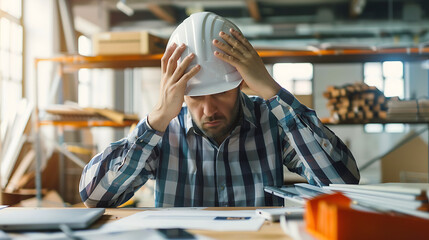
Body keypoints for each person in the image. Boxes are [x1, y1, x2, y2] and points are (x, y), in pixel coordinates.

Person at [79, 12, 359, 208]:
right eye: (196, 97)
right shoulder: (162, 132)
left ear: (241, 83)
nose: (209, 110)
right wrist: (158, 117)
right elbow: (94, 196)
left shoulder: (270, 122)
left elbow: (342, 182)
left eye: (221, 93)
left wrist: (273, 91)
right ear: (180, 92)